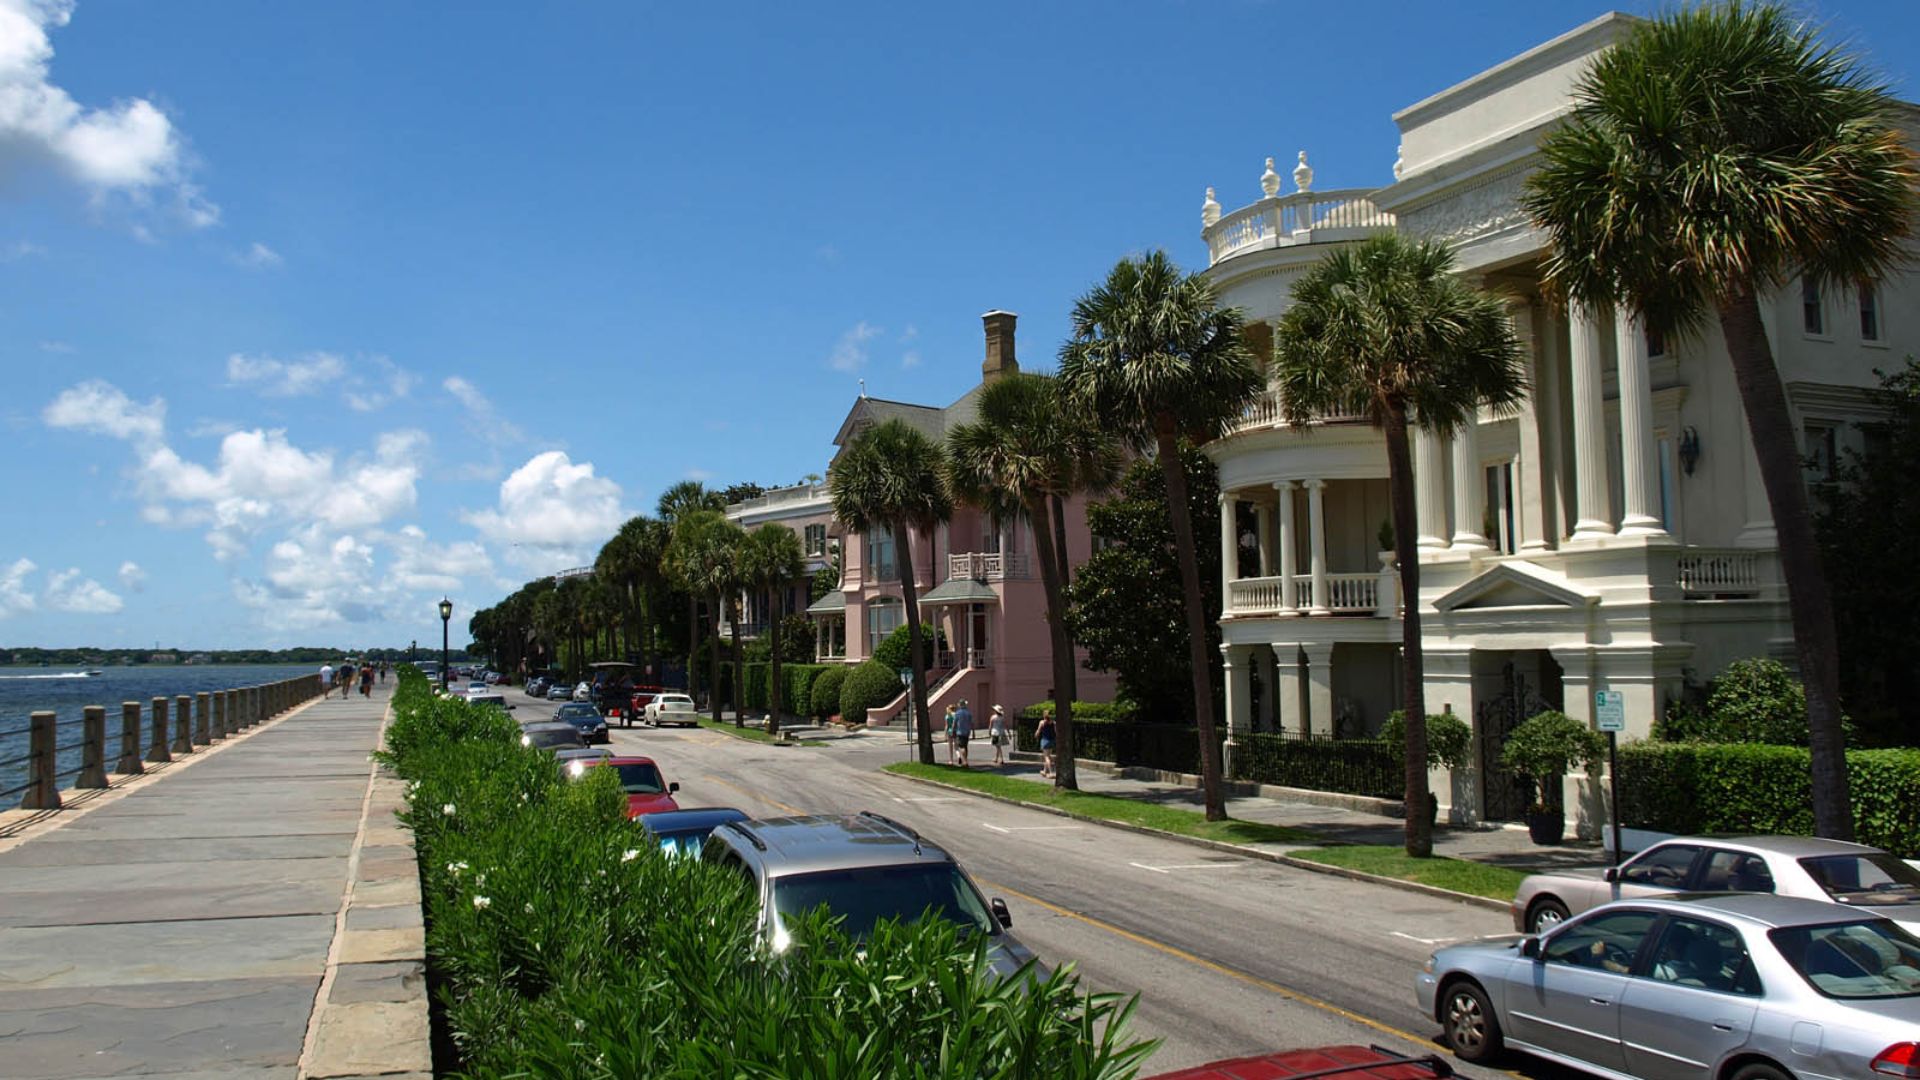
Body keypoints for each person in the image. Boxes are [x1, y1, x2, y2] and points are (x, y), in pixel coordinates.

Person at [952, 699, 974, 768]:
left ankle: (965, 761)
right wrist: (973, 732)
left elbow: (954, 723)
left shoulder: (958, 713)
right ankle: (965, 759)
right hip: (967, 731)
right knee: (965, 746)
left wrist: (953, 731)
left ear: (960, 705)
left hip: (960, 731)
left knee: (961, 747)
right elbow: (971, 723)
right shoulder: (968, 713)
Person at [1036, 707, 1057, 779]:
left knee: (1046, 757)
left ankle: (1051, 772)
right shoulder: (1053, 722)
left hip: (1045, 740)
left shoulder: (1042, 722)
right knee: (1049, 755)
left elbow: (1038, 731)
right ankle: (1045, 771)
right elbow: (1056, 732)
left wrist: (1036, 735)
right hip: (1052, 740)